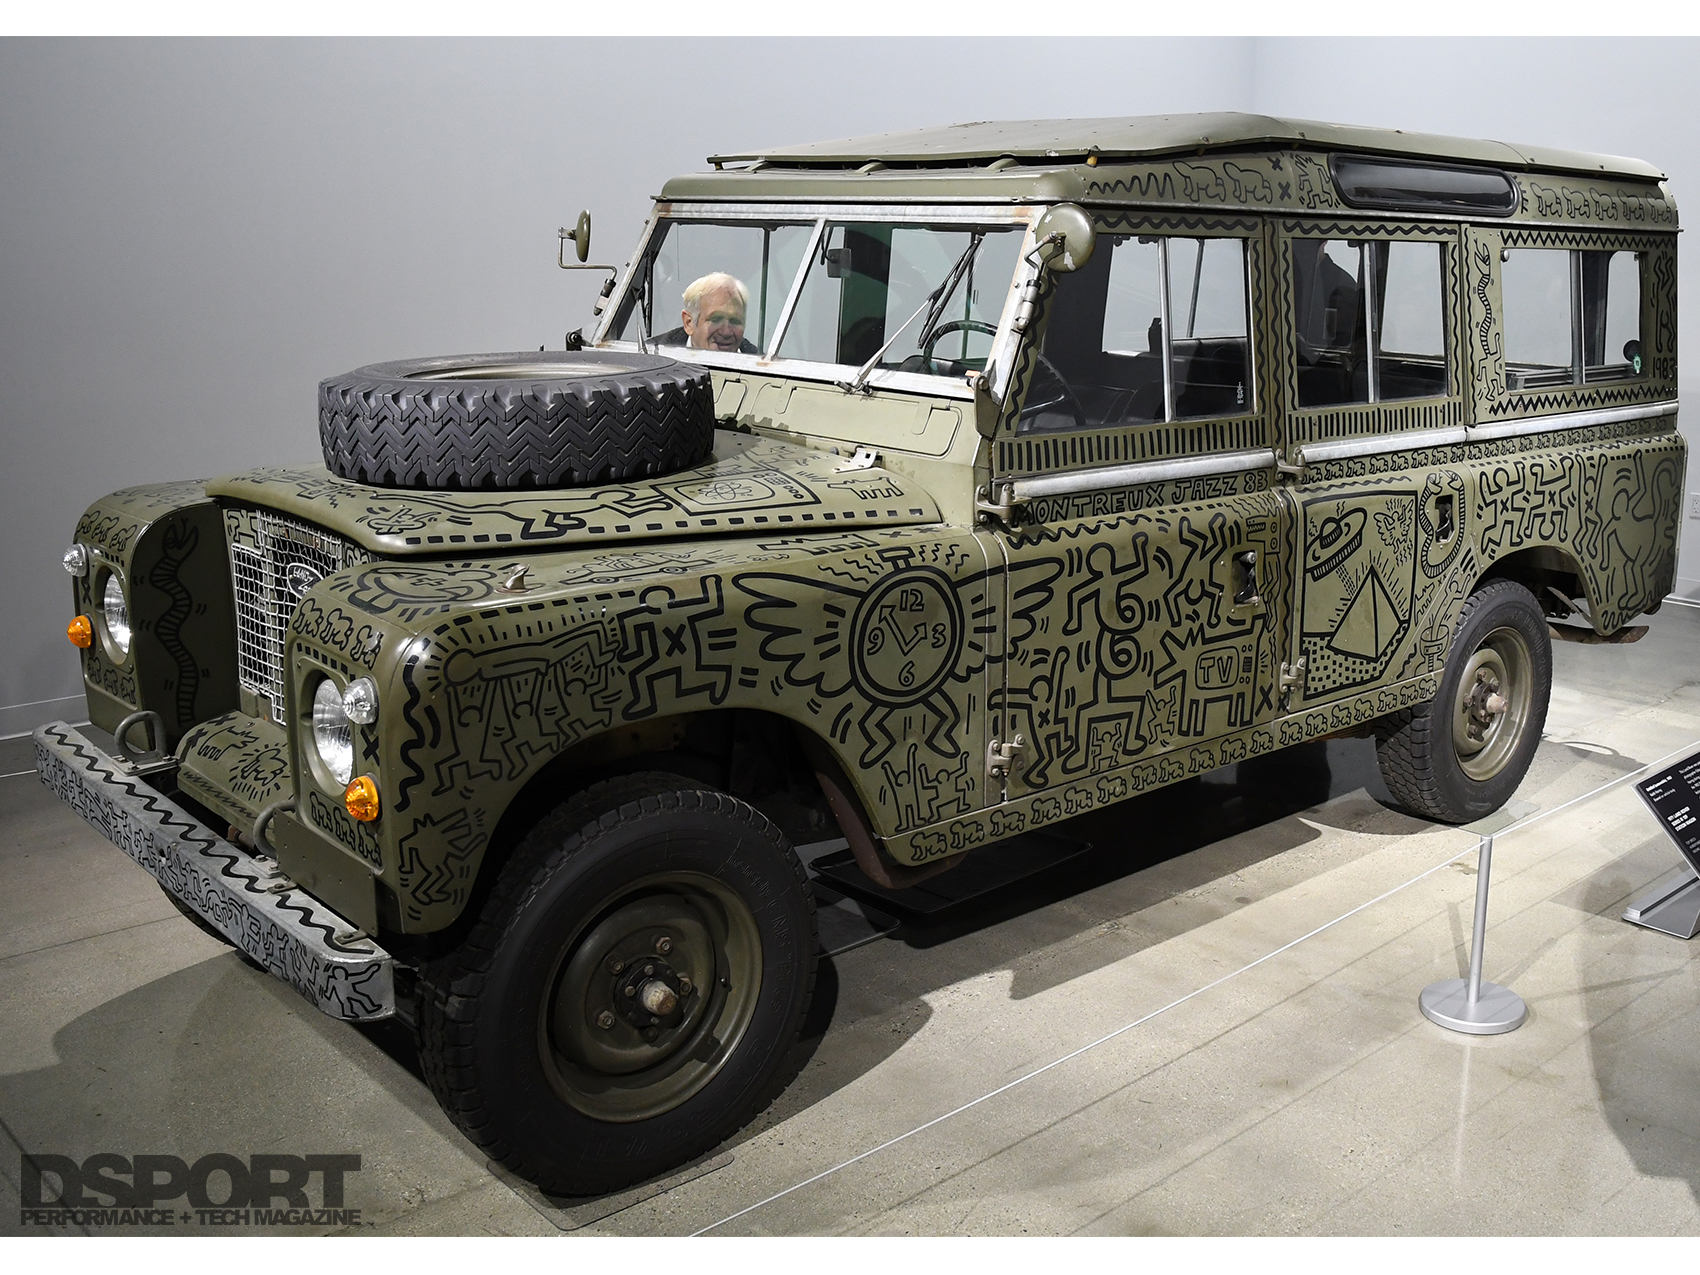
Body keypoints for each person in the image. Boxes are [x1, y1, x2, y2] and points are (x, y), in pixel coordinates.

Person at [655, 272, 758, 353]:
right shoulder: (653, 357)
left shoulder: (760, 365)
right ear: (689, 323)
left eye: (735, 321)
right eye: (716, 320)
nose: (726, 332)